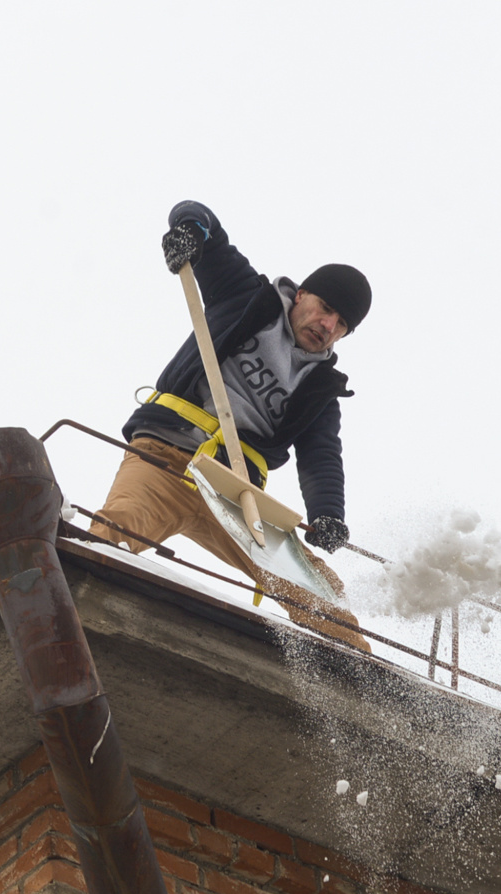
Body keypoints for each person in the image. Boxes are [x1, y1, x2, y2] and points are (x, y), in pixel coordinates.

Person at [90, 200, 373, 652]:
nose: (327, 325)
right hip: (165, 458)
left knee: (320, 592)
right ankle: (67, 598)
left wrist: (328, 514)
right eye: (325, 309)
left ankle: (359, 679)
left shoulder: (320, 388)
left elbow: (322, 457)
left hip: (237, 495)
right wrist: (189, 230)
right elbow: (200, 218)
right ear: (300, 294)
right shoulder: (247, 298)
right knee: (115, 529)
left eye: (341, 325)